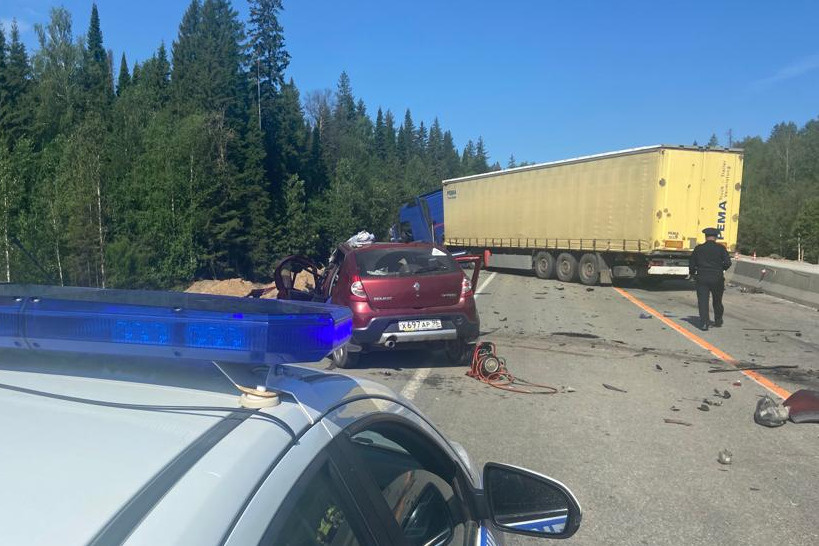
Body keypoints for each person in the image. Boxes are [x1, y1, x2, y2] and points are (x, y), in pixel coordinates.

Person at [689, 227, 732, 331]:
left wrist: (692, 273)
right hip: (717, 277)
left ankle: (704, 323)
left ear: (705, 236)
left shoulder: (699, 248)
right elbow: (728, 263)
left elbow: (692, 264)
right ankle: (718, 320)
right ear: (716, 237)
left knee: (703, 301)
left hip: (702, 277)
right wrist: (721, 269)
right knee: (717, 300)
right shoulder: (721, 248)